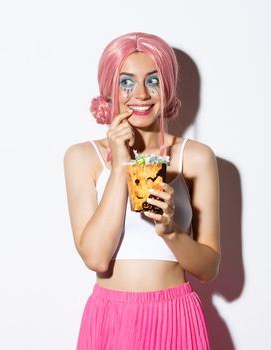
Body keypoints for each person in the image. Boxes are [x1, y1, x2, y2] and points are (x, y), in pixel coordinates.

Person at [63, 32, 220, 349]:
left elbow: (208, 268)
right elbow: (96, 258)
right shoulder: (83, 157)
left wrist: (170, 231)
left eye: (153, 81)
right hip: (111, 319)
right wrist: (121, 164)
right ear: (110, 89)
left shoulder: (196, 157)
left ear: (168, 86)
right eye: (126, 82)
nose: (141, 95)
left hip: (176, 317)